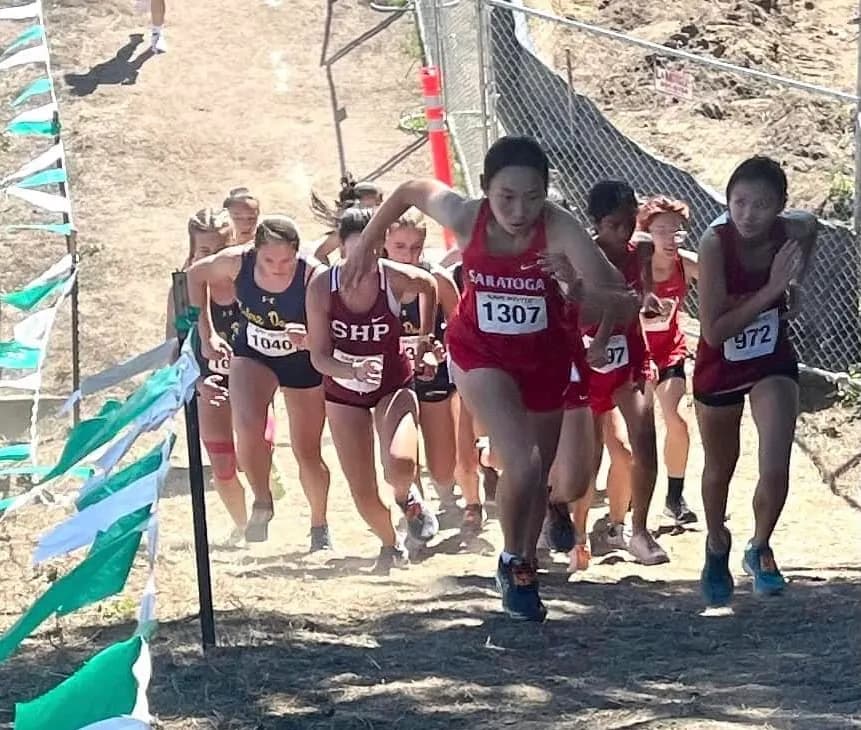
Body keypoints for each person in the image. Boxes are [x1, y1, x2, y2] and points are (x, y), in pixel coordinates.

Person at [341, 135, 637, 621]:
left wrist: (573, 286)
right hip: (480, 353)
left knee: (537, 477)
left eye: (533, 197)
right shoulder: (466, 216)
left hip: (544, 358)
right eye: (506, 197)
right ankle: (517, 561)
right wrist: (364, 249)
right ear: (484, 190)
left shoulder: (560, 229)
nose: (520, 211)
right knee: (523, 459)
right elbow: (411, 189)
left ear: (548, 194)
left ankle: (515, 559)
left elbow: (621, 301)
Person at [695, 156, 816, 606]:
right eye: (739, 202)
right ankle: (715, 542)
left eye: (762, 205)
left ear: (779, 207)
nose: (748, 214)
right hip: (720, 363)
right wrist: (773, 290)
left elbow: (811, 225)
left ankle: (760, 546)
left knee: (775, 464)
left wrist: (798, 283)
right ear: (727, 202)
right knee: (719, 469)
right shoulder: (714, 243)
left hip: (770, 359)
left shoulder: (791, 229)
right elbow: (714, 330)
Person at [306, 207, 440, 571]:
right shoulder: (321, 286)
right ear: (340, 250)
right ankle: (390, 545)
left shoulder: (394, 278)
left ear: (379, 249)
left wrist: (424, 338)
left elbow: (429, 285)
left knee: (399, 466)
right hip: (343, 391)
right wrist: (350, 368)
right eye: (352, 255)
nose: (358, 265)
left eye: (368, 254)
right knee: (363, 492)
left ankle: (407, 498)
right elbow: (318, 357)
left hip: (392, 385)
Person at [187, 215, 333, 548]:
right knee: (248, 426)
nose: (278, 268)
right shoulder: (237, 261)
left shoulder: (314, 274)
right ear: (256, 252)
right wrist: (206, 333)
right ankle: (262, 500)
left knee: (306, 450)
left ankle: (319, 526)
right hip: (253, 352)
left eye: (286, 260)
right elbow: (194, 276)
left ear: (298, 252)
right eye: (269, 260)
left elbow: (333, 326)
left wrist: (310, 338)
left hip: (301, 361)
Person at [561, 181, 668, 566]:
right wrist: (604, 327)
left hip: (629, 360)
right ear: (597, 222)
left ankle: (639, 531)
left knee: (644, 443)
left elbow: (638, 296)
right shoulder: (580, 257)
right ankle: (576, 534)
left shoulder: (639, 251)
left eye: (629, 222)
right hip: (589, 363)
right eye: (614, 224)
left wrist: (648, 300)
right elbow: (578, 309)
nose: (623, 231)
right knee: (587, 458)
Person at [165, 208, 255, 542]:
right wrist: (197, 382)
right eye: (204, 252)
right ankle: (245, 526)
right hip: (208, 384)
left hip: (252, 381)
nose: (212, 261)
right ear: (192, 252)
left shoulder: (252, 282)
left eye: (220, 251)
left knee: (252, 454)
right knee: (223, 467)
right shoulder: (181, 289)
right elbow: (171, 351)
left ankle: (264, 484)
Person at [383, 213, 476, 525]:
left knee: (442, 465)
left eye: (416, 247)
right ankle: (415, 513)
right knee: (401, 454)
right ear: (383, 242)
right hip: (393, 380)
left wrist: (441, 348)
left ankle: (447, 495)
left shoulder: (436, 279)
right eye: (400, 246)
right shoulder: (375, 280)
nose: (409, 255)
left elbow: (462, 328)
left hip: (433, 377)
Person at [637, 196, 699, 526]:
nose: (671, 238)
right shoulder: (632, 265)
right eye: (661, 230)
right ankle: (633, 491)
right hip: (636, 355)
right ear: (646, 234)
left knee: (677, 419)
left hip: (670, 351)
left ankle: (675, 498)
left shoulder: (685, 264)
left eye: (677, 231)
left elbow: (724, 280)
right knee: (640, 432)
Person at [312, 176, 383, 265]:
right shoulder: (346, 230)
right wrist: (330, 275)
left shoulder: (385, 227)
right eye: (373, 205)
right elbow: (320, 254)